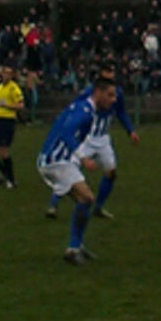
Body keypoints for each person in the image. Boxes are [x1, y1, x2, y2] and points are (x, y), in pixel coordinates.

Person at [36, 78, 118, 264]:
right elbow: (66, 132)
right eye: (110, 95)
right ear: (98, 92)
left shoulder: (84, 106)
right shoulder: (85, 112)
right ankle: (73, 249)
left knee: (84, 201)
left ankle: (76, 247)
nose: (113, 99)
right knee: (87, 198)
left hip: (55, 159)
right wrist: (83, 157)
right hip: (55, 161)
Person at [45, 66, 140, 219]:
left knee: (111, 172)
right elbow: (74, 110)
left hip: (102, 139)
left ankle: (99, 208)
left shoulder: (117, 93)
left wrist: (130, 130)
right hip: (86, 138)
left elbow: (121, 112)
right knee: (67, 170)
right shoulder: (88, 95)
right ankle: (53, 205)